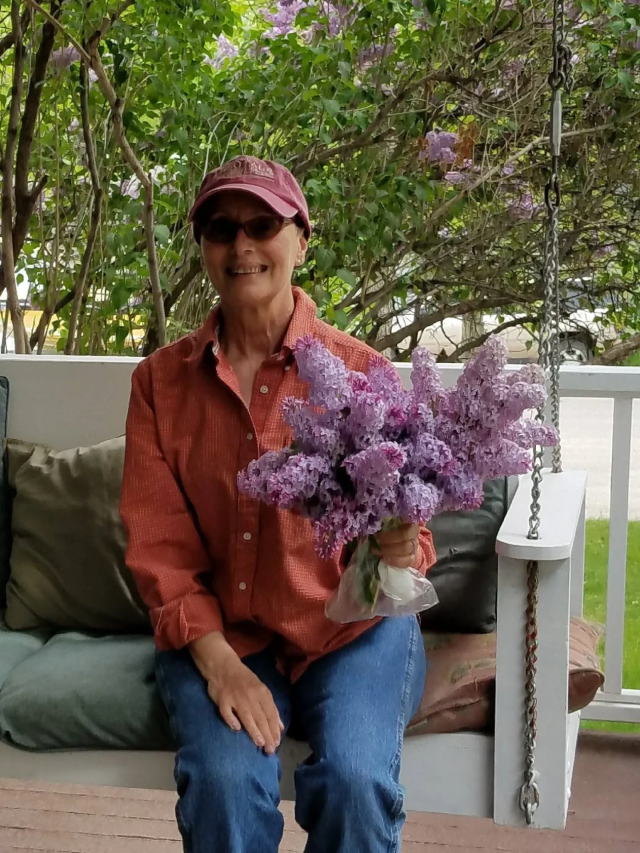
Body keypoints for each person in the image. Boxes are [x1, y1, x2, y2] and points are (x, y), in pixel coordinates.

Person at [120, 155, 436, 853]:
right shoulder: (158, 386)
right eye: (220, 228)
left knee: (356, 782)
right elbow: (159, 551)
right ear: (203, 246)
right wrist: (220, 663)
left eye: (262, 224)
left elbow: (412, 531)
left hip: (350, 634)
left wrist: (398, 542)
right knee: (226, 783)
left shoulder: (363, 372)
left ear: (301, 239)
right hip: (223, 633)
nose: (241, 246)